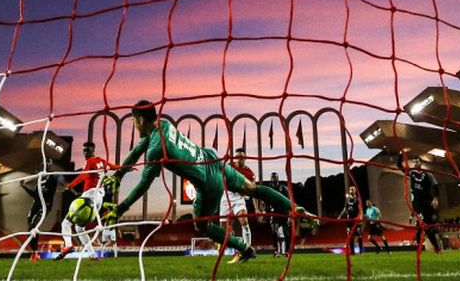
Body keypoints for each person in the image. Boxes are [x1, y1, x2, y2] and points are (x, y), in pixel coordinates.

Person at [102, 100, 316, 263]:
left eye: (133, 121)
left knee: (202, 225)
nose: (133, 125)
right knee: (253, 188)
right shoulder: (162, 124)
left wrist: (120, 209)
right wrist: (118, 174)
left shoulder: (157, 149)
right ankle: (294, 208)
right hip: (213, 159)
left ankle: (242, 248)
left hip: (207, 180)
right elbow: (137, 150)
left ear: (139, 121)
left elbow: (143, 184)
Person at [57, 141, 118, 259]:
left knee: (66, 223)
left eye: (87, 150)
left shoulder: (90, 161)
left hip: (90, 195)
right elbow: (114, 167)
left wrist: (70, 185)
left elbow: (83, 175)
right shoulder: (101, 161)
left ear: (93, 150)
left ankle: (68, 246)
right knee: (79, 228)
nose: (85, 152)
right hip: (99, 197)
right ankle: (92, 254)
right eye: (84, 150)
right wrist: (127, 167)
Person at [398, 153, 442, 253]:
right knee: (422, 227)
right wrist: (401, 154)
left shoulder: (428, 174)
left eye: (417, 161)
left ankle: (435, 248)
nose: (415, 163)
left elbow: (435, 186)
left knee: (427, 228)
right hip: (418, 206)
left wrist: (435, 198)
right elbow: (399, 166)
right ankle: (425, 249)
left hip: (427, 204)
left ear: (421, 163)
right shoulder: (411, 173)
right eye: (414, 161)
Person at [21, 158, 62, 262]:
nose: (45, 163)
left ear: (50, 164)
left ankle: (35, 254)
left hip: (45, 205)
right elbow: (35, 195)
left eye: (48, 162)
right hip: (36, 204)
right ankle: (34, 253)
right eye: (44, 161)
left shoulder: (53, 175)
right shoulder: (40, 177)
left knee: (34, 225)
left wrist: (66, 185)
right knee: (30, 227)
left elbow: (61, 180)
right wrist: (24, 187)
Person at [219, 148, 255, 263]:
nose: (239, 159)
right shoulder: (229, 167)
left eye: (241, 157)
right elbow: (220, 173)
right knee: (223, 228)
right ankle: (230, 247)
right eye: (237, 157)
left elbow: (253, 190)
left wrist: (257, 206)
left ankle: (246, 251)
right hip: (226, 197)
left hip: (239, 199)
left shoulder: (250, 173)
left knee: (244, 222)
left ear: (245, 158)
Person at [266, 172, 291, 257]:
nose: (274, 179)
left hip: (283, 212)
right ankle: (276, 250)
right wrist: (265, 211)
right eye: (272, 177)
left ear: (278, 178)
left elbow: (288, 201)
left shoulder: (283, 188)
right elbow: (265, 200)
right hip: (274, 212)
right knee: (274, 231)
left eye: (275, 177)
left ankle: (287, 250)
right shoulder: (268, 188)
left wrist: (290, 212)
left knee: (286, 232)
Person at [337, 185, 363, 255]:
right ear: (349, 191)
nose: (351, 191)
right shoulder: (347, 200)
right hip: (349, 220)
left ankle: (361, 251)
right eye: (350, 189)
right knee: (350, 235)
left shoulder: (357, 200)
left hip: (356, 220)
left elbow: (360, 209)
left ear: (355, 191)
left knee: (359, 235)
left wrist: (360, 217)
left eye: (353, 189)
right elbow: (345, 209)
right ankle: (352, 251)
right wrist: (340, 216)